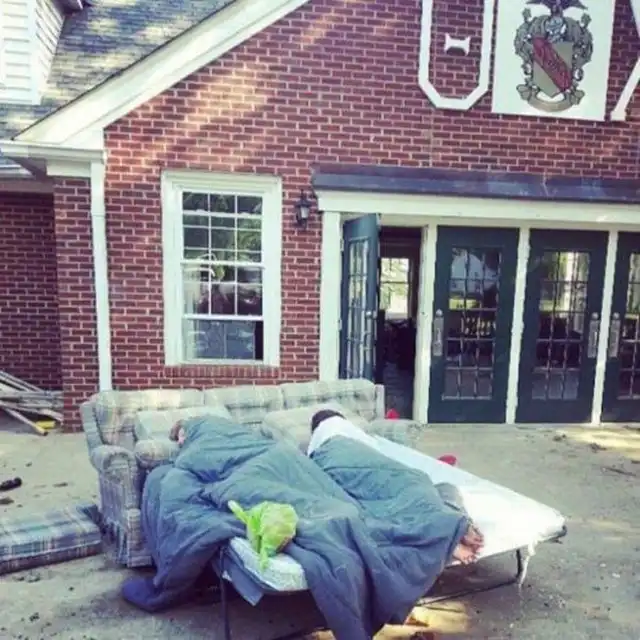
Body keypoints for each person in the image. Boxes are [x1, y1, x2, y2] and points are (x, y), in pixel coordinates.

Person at [308, 410, 484, 565]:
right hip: (368, 466)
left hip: (343, 463)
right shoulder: (346, 433)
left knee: (382, 507)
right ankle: (451, 531)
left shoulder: (320, 441)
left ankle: (447, 534)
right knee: (431, 487)